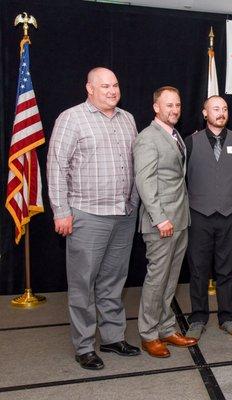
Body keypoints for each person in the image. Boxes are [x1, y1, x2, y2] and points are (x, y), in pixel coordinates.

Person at [47, 67, 140, 370]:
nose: (112, 91)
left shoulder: (128, 120)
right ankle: (84, 345)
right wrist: (61, 212)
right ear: (89, 88)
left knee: (114, 282)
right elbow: (56, 167)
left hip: (123, 215)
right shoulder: (71, 118)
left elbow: (135, 166)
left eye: (115, 85)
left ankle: (113, 338)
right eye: (104, 86)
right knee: (83, 285)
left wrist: (135, 205)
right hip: (87, 215)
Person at [185, 95, 232, 338]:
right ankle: (197, 318)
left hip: (230, 217)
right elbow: (180, 182)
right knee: (198, 270)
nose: (221, 112)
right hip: (198, 217)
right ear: (205, 113)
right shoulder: (190, 142)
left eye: (224, 109)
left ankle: (227, 317)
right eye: (215, 108)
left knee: (227, 270)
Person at [134, 86, 197, 357]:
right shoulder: (148, 138)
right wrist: (160, 219)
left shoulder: (174, 135)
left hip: (180, 220)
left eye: (178, 105)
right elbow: (144, 182)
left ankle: (166, 327)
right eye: (168, 105)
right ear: (156, 107)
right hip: (161, 223)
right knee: (156, 280)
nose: (174, 110)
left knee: (170, 280)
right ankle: (148, 334)